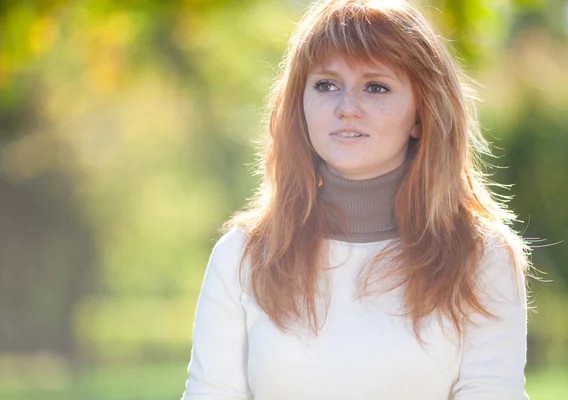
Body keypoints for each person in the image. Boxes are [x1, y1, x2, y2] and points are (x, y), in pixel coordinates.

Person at [181, 0, 531, 398]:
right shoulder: (243, 256)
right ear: (301, 104)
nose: (346, 108)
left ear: (421, 115)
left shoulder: (480, 256)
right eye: (326, 85)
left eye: (376, 87)